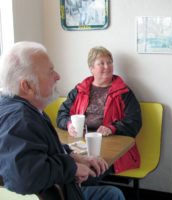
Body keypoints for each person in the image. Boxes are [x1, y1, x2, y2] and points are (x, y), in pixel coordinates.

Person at [0, 41, 125, 200]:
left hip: (61, 188)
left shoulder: (25, 109)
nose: (57, 76)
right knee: (113, 195)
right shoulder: (20, 119)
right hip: (59, 194)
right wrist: (72, 169)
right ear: (27, 86)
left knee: (111, 192)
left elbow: (43, 150)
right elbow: (25, 177)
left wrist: (73, 156)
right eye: (50, 71)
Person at [57, 46, 142, 174]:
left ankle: (82, 193)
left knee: (90, 170)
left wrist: (112, 128)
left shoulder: (124, 92)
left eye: (109, 62)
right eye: (101, 63)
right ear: (91, 69)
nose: (107, 66)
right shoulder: (79, 90)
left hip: (109, 144)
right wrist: (69, 124)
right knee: (63, 161)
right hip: (80, 142)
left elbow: (135, 122)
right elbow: (61, 115)